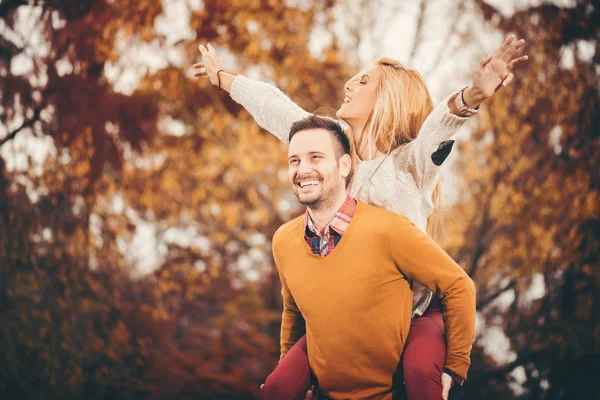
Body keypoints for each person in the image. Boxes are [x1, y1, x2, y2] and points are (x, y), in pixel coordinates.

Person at [194, 35, 527, 399]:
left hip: (412, 317)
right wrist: (223, 78)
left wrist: (472, 97)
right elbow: (278, 110)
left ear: (389, 98)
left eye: (363, 81)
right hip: (348, 316)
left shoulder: (409, 165)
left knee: (420, 376)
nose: (349, 84)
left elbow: (439, 129)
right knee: (277, 386)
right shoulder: (337, 158)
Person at [271, 114, 476, 399]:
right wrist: (292, 372)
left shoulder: (389, 230)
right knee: (275, 389)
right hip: (329, 385)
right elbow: (293, 309)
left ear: (344, 166)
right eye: (294, 160)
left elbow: (458, 285)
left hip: (388, 386)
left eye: (315, 157)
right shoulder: (283, 240)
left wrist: (454, 367)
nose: (302, 169)